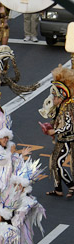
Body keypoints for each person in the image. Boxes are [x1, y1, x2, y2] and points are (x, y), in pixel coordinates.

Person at [44, 65, 74, 198]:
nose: (53, 99)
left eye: (55, 96)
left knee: (57, 164)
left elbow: (68, 126)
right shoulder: (61, 107)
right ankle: (58, 189)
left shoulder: (68, 108)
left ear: (61, 97)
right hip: (61, 140)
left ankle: (71, 185)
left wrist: (54, 131)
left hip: (67, 141)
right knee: (54, 163)